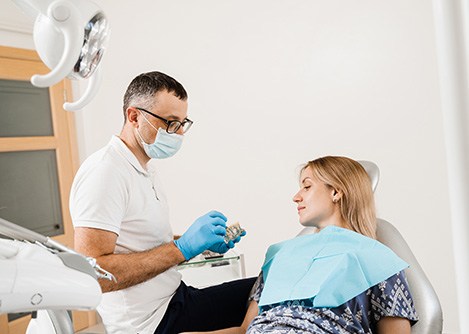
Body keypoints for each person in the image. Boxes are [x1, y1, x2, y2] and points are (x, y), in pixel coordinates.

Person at [70, 71, 256, 334]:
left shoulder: (143, 168)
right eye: (170, 122)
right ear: (134, 116)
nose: (178, 133)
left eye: (182, 123)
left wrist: (201, 244)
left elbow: (141, 245)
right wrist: (183, 247)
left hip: (175, 299)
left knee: (268, 285)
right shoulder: (105, 173)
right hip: (149, 324)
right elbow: (95, 272)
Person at [185, 156, 418, 334]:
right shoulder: (280, 255)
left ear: (336, 191)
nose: (296, 197)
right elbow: (246, 329)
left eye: (307, 186)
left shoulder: (378, 260)